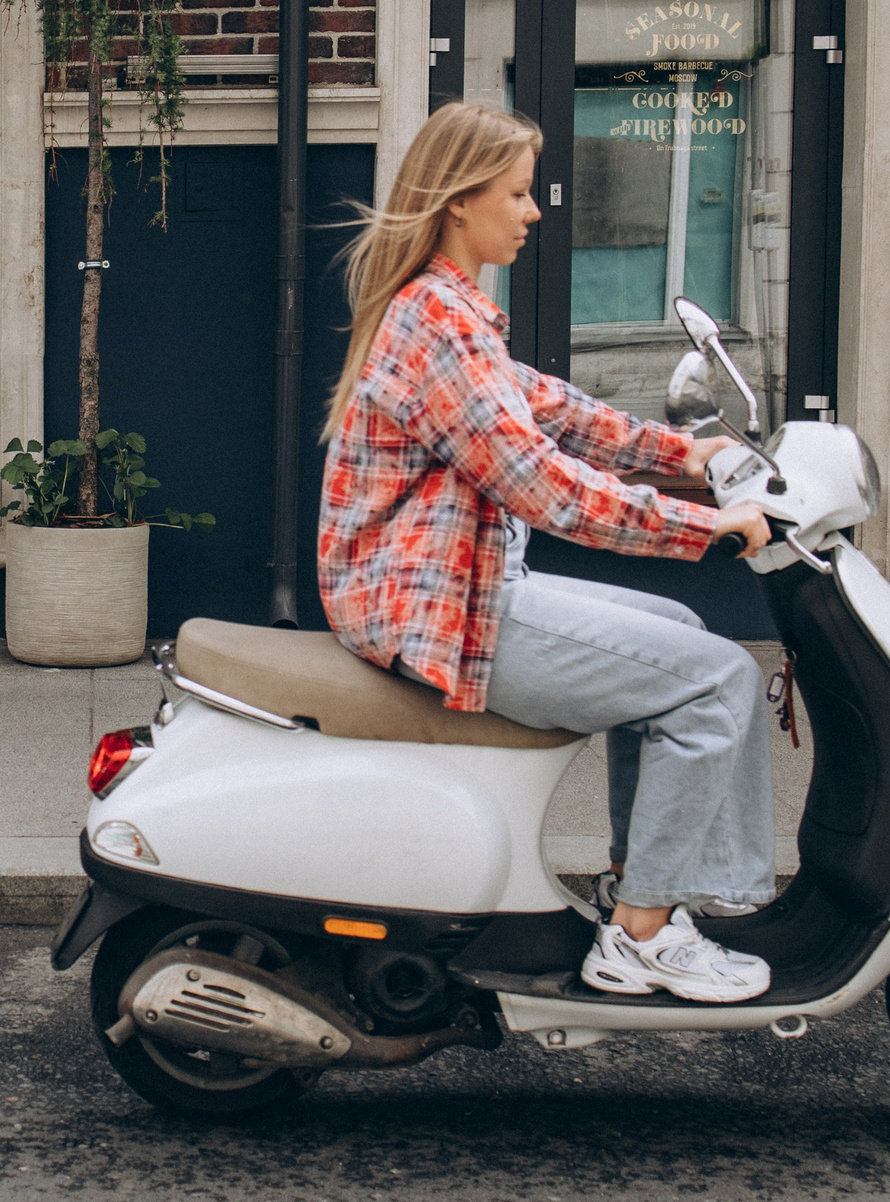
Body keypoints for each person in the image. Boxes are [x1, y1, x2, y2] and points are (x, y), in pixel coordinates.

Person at [317, 101, 778, 1004]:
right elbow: (542, 484)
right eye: (519, 193)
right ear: (459, 201)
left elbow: (553, 409)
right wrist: (699, 526)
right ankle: (643, 934)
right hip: (440, 608)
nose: (534, 212)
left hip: (458, 585)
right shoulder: (441, 323)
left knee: (678, 631)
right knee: (717, 678)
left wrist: (688, 451)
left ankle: (638, 885)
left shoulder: (448, 310)